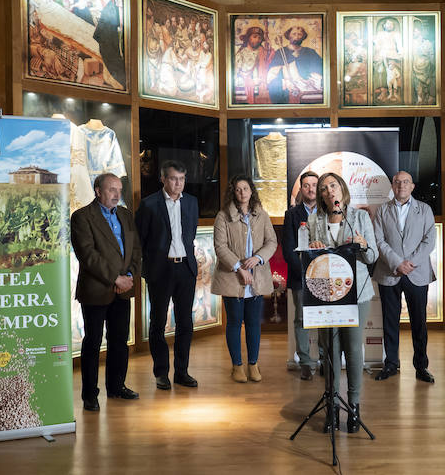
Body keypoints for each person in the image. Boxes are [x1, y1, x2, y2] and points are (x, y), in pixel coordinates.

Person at [307, 173, 378, 433]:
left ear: (342, 189)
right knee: (331, 350)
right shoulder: (315, 220)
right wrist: (313, 247)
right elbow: (307, 255)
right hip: (327, 294)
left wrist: (363, 244)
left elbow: (372, 256)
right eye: (323, 188)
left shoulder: (358, 216)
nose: (328, 191)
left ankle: (355, 406)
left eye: (332, 186)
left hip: (356, 293)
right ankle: (333, 407)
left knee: (353, 349)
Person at [70, 173, 142, 412]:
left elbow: (135, 249)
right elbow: (88, 255)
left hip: (123, 290)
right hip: (97, 289)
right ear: (98, 191)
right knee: (92, 343)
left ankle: (116, 386)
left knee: (119, 341)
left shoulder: (125, 215)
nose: (116, 194)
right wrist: (115, 278)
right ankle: (90, 395)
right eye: (111, 189)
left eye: (119, 189)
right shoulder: (82, 217)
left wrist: (130, 276)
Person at [135, 160, 200, 390]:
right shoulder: (149, 204)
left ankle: (182, 372)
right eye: (173, 178)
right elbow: (139, 241)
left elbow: (189, 234)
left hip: (186, 269)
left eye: (182, 179)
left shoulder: (192, 203)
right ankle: (161, 372)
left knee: (185, 323)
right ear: (163, 179)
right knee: (158, 322)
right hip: (160, 271)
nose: (178, 183)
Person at [211, 175, 277, 383]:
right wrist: (239, 267)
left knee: (253, 324)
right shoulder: (223, 216)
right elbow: (220, 246)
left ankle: (253, 365)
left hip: (257, 278)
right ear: (233, 192)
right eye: (238, 189)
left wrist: (257, 258)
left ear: (251, 191)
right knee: (233, 323)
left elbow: (272, 242)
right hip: (232, 277)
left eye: (245, 188)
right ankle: (237, 366)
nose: (242, 193)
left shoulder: (262, 215)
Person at [372, 171, 436, 383]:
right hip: (390, 272)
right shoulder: (382, 210)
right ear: (392, 186)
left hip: (417, 273)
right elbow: (379, 241)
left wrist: (410, 263)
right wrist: (397, 263)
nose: (401, 185)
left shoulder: (425, 210)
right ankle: (391, 364)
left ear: (412, 186)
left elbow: (429, 241)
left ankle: (421, 366)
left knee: (419, 322)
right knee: (390, 321)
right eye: (397, 182)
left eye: (405, 182)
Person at [282, 171, 319, 381]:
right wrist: (305, 273)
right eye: (306, 185)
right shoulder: (292, 215)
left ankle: (325, 359)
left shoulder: (328, 212)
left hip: (325, 275)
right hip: (300, 275)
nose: (311, 188)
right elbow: (288, 250)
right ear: (301, 189)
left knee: (325, 320)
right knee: (302, 319)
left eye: (314, 184)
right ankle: (305, 362)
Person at [266, 26, 323, 104]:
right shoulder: (280, 52)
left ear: (303, 37)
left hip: (306, 83)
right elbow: (272, 72)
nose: (296, 36)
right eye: (294, 34)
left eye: (299, 34)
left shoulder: (310, 52)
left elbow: (318, 68)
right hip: (286, 83)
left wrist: (307, 79)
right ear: (288, 36)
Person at [234, 26, 274, 104]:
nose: (257, 40)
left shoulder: (262, 52)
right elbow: (237, 70)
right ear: (248, 38)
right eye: (254, 37)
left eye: (259, 38)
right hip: (245, 79)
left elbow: (268, 64)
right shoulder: (242, 53)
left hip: (261, 80)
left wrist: (271, 51)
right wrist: (248, 78)